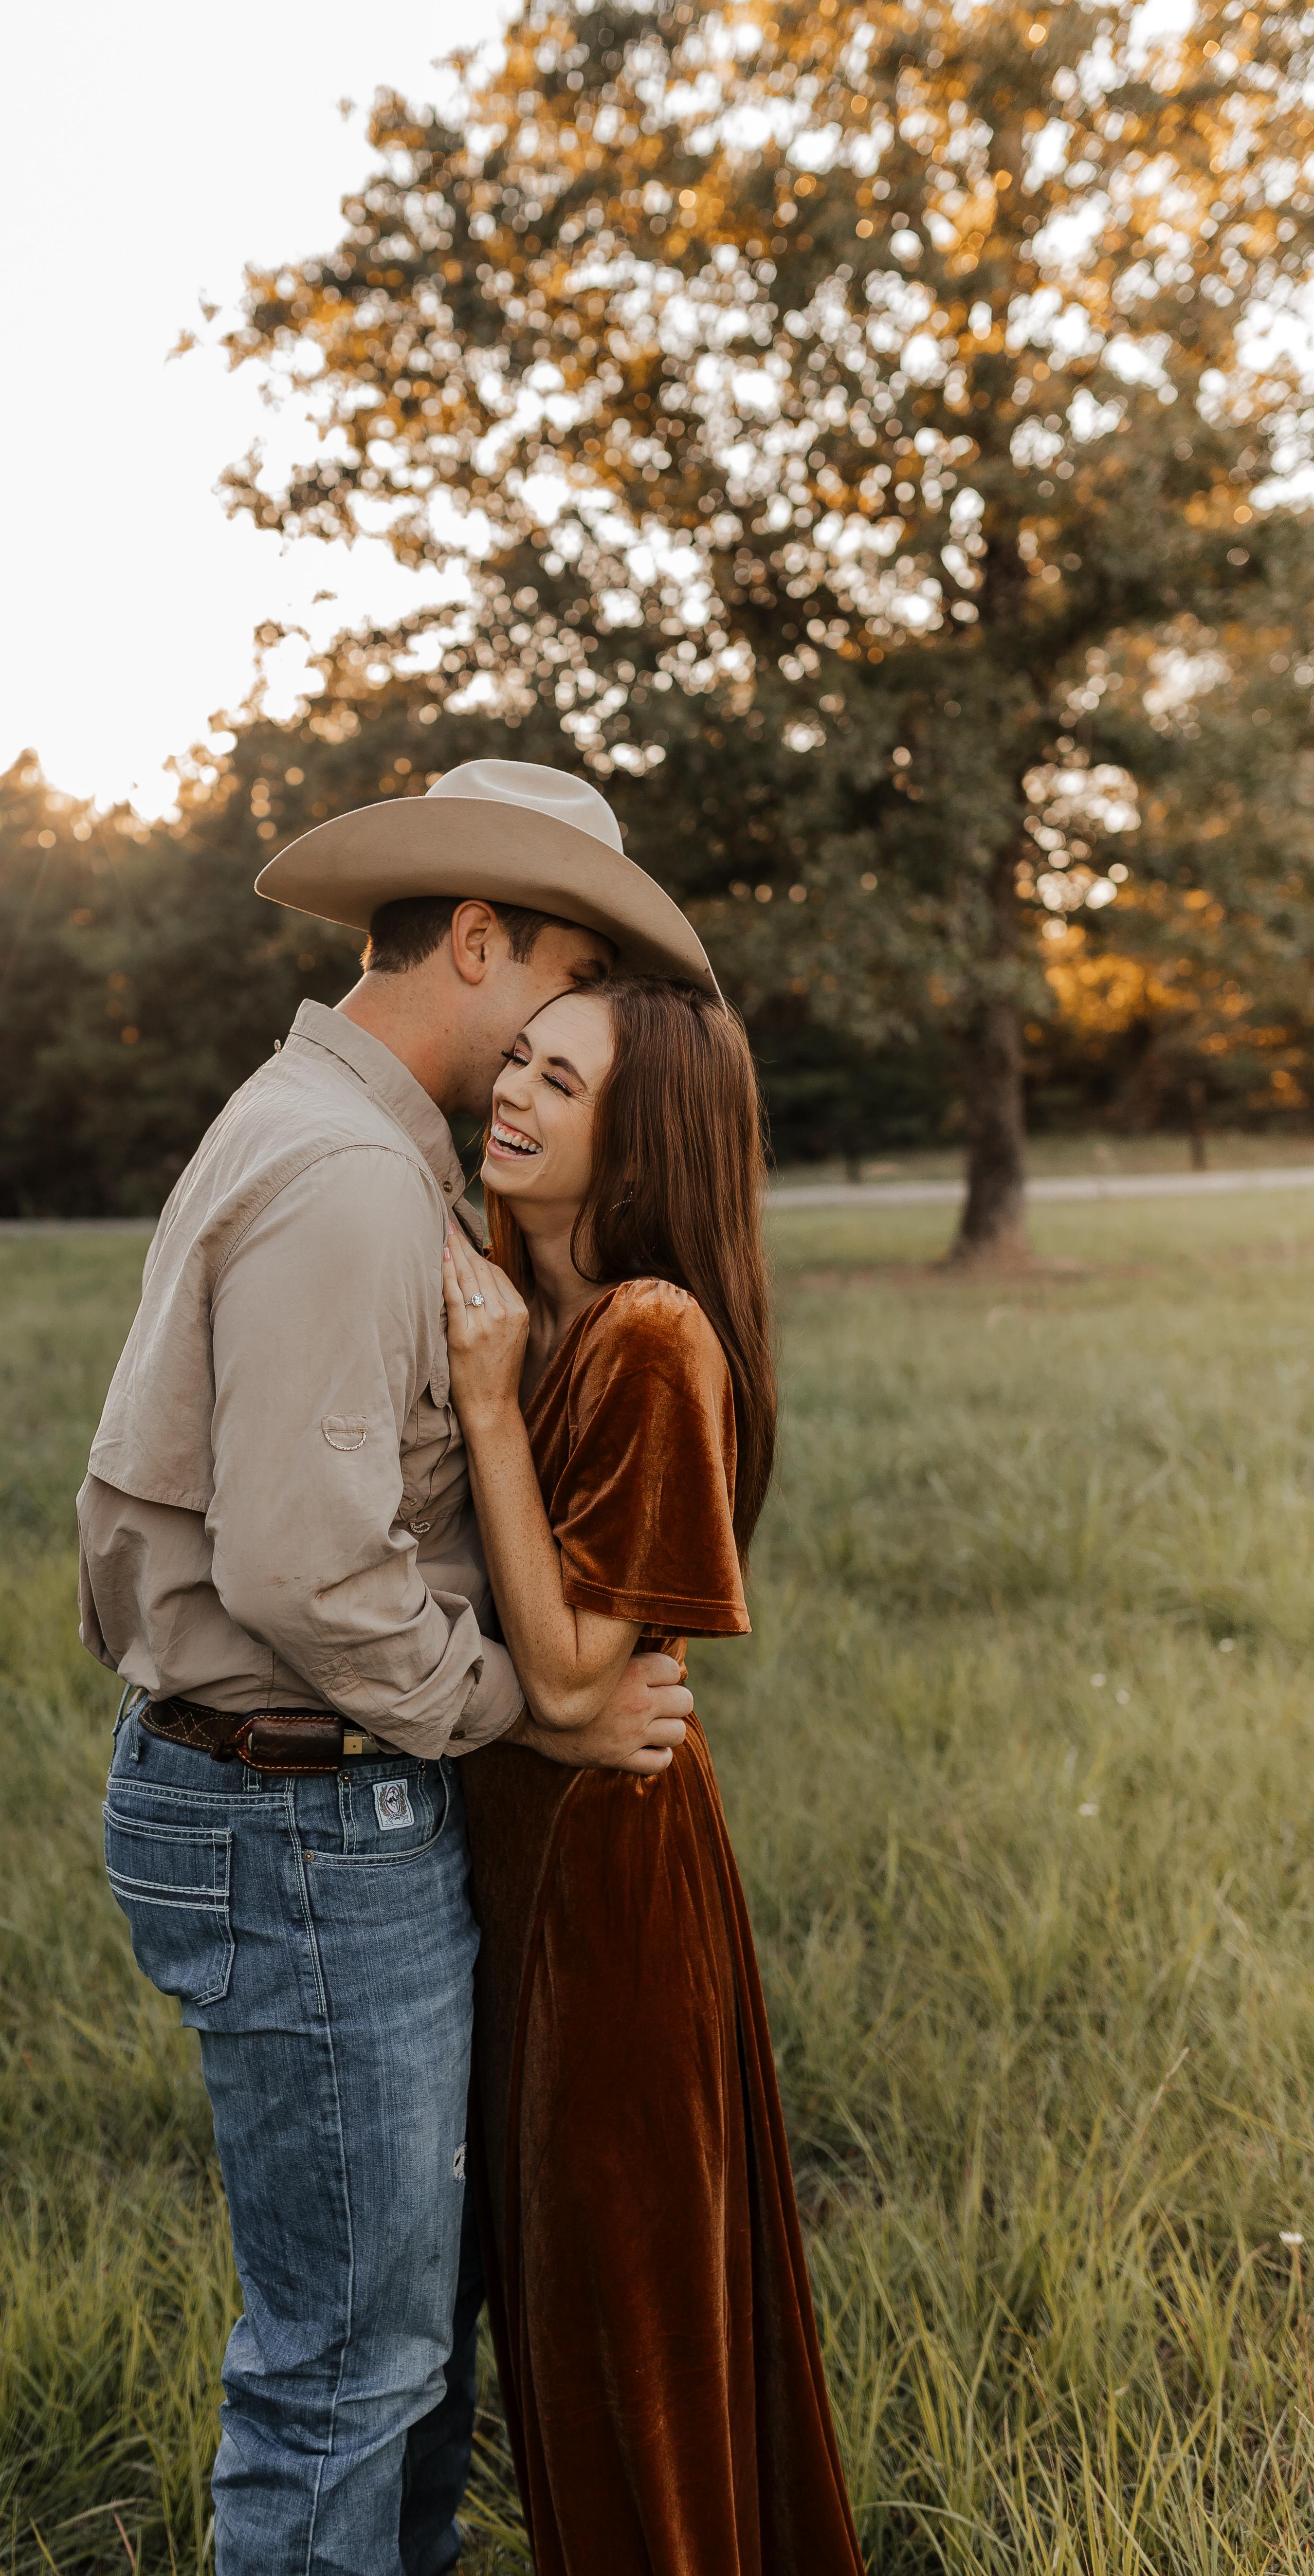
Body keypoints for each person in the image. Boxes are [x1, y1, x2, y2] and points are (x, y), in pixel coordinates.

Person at [76, 758, 715, 2576]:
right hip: (297, 1806)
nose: (560, 1041)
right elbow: (303, 1566)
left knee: (398, 2353)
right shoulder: (355, 1177)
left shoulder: (326, 1127)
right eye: (562, 985)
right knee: (348, 2380)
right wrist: (535, 1708)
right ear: (482, 939)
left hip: (297, 1794)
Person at [441, 971, 866, 2576]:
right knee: (552, 2336)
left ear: (643, 1143)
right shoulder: (512, 1293)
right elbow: (545, 1696)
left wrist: (491, 1411)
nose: (515, 1092)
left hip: (611, 1895)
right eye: (519, 1059)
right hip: (511, 1866)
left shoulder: (649, 1336)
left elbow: (571, 1673)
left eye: (564, 1082)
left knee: (633, 2349)